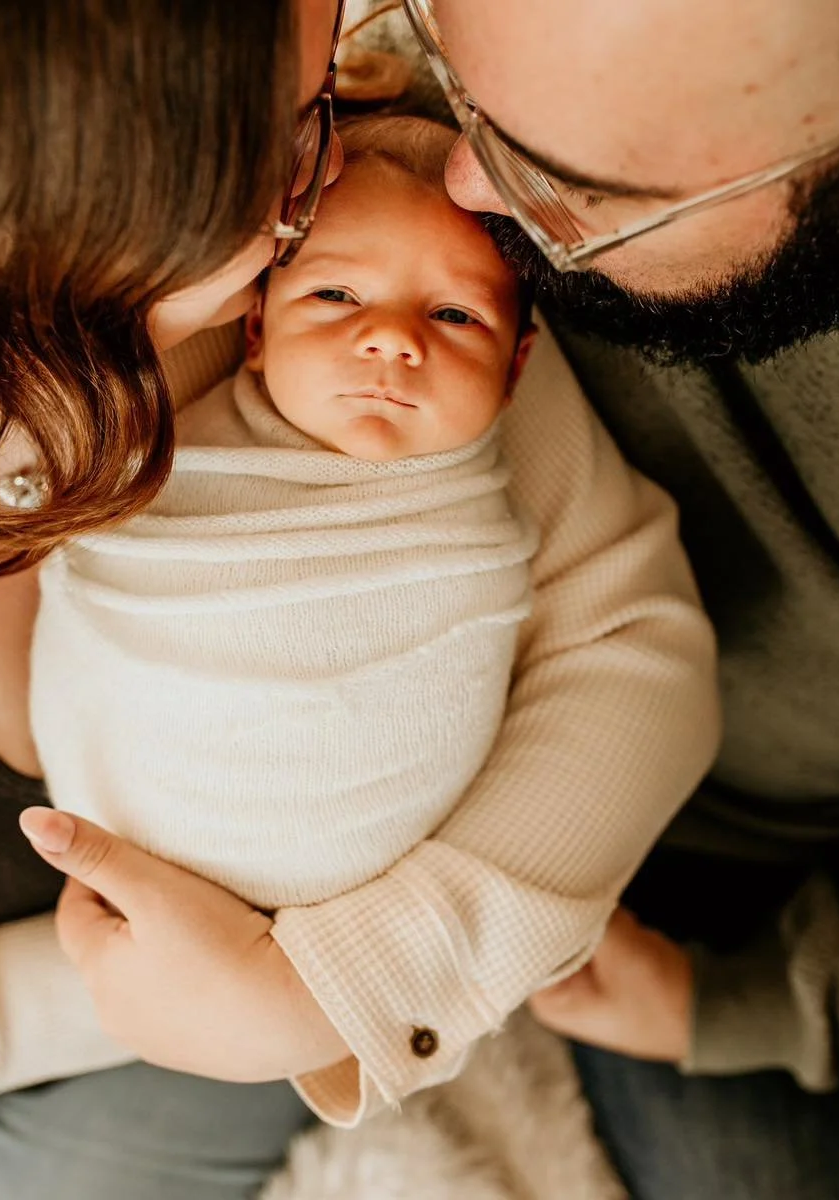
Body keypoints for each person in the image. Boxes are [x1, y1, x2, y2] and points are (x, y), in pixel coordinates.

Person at [0, 6, 718, 1200]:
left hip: (240, 1020)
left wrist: (332, 983)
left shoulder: (373, 308)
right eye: (301, 130)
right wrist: (144, 992)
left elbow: (633, 650)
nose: (349, 153)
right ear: (96, 205)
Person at [394, 0, 839, 1197]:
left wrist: (747, 1002)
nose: (464, 179)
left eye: (573, 189)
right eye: (453, 70)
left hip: (752, 912)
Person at [32, 116, 542, 912]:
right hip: (126, 834)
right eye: (335, 295)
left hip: (356, 876)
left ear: (517, 371)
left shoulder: (509, 474)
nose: (390, 339)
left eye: (454, 316)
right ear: (257, 327)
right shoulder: (148, 435)